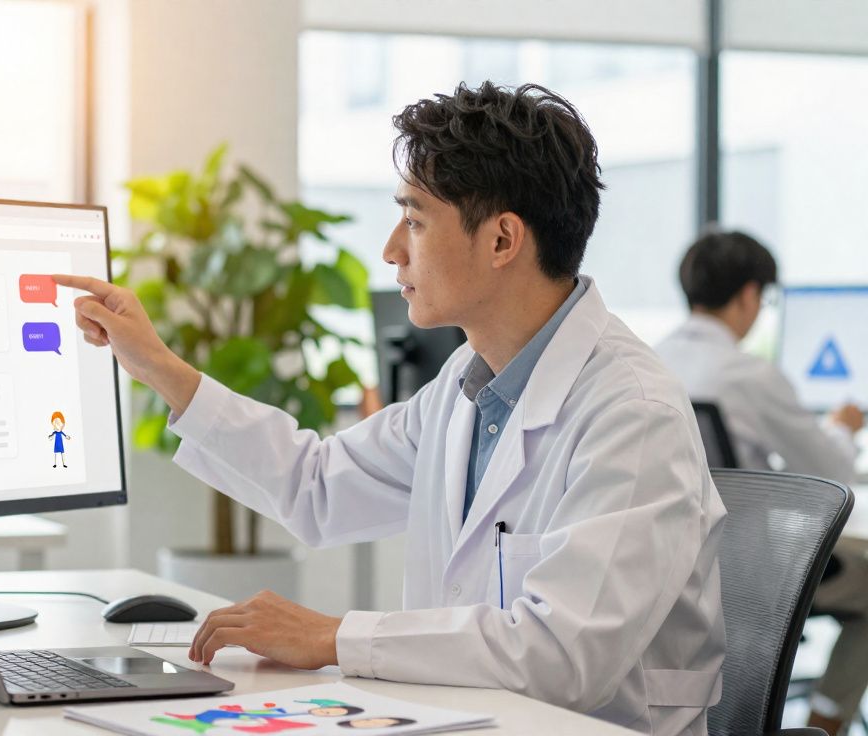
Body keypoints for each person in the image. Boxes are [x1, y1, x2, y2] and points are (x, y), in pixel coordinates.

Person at [57, 81, 725, 736]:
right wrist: (158, 368)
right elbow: (315, 484)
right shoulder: (467, 384)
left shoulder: (631, 415)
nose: (390, 251)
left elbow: (560, 657)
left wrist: (332, 636)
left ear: (501, 241)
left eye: (414, 219)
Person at [655, 230, 866, 736]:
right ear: (749, 295)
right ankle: (826, 723)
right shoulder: (747, 374)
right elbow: (829, 474)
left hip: (676, 570)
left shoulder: (650, 360)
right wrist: (844, 426)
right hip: (754, 573)